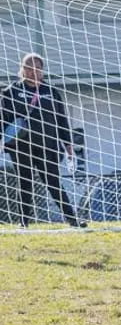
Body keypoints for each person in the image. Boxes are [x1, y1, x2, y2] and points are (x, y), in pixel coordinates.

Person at [0, 53, 85, 228]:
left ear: (42, 70)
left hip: (48, 145)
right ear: (22, 69)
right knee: (25, 181)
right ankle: (23, 222)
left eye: (37, 68)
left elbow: (61, 120)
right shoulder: (11, 91)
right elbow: (2, 119)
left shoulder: (51, 92)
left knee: (53, 182)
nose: (33, 71)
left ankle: (73, 220)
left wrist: (68, 147)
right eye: (29, 68)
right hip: (21, 146)